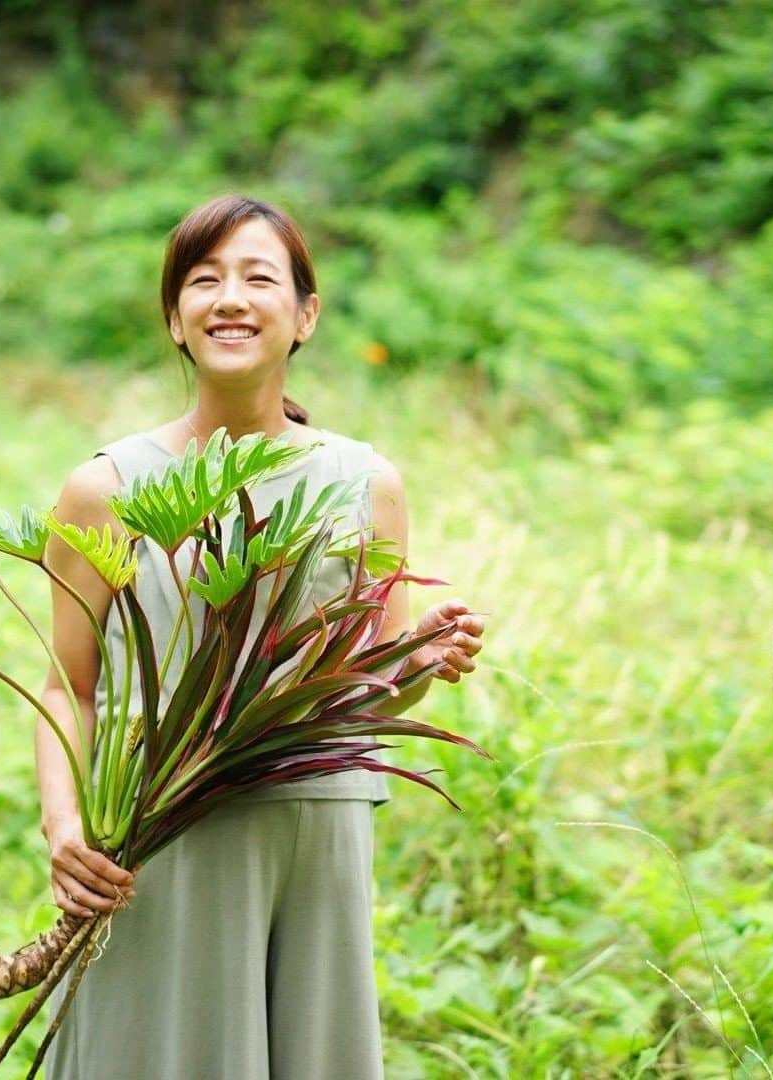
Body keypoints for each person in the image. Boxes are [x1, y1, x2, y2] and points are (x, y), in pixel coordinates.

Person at [36, 194, 484, 1079]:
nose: (230, 299)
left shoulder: (365, 482)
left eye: (258, 278)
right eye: (204, 281)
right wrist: (63, 829)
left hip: (314, 827)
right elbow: (67, 684)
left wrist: (419, 663)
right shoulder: (107, 487)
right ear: (174, 318)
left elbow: (369, 689)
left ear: (305, 315)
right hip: (162, 824)